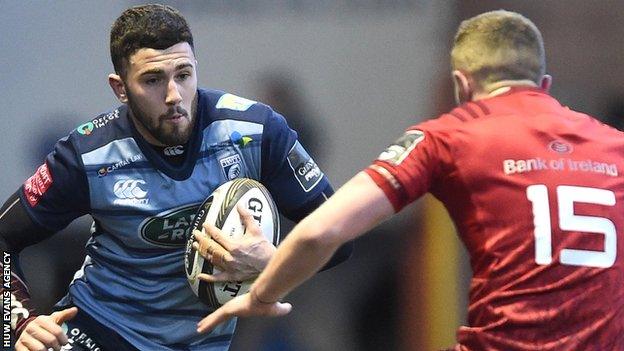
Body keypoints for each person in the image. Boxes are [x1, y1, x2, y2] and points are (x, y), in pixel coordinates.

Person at [197, 10, 624, 350]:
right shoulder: (615, 145)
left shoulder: (449, 134)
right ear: (544, 85)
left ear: (460, 84)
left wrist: (262, 294)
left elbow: (322, 231)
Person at [0, 4, 351, 351]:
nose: (173, 96)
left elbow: (339, 237)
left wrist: (274, 262)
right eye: (153, 80)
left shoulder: (259, 132)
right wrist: (17, 324)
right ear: (120, 88)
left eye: (183, 75)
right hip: (98, 330)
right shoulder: (86, 155)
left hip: (202, 342)